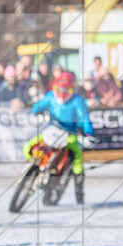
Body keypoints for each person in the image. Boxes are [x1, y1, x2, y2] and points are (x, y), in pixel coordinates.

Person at [22, 71, 98, 204]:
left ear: (71, 88)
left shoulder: (77, 101)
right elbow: (37, 107)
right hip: (52, 130)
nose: (62, 92)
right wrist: (38, 112)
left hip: (70, 135)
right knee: (30, 145)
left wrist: (89, 134)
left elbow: (85, 120)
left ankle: (79, 192)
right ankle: (33, 167)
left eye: (65, 89)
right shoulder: (51, 96)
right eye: (59, 88)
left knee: (77, 160)